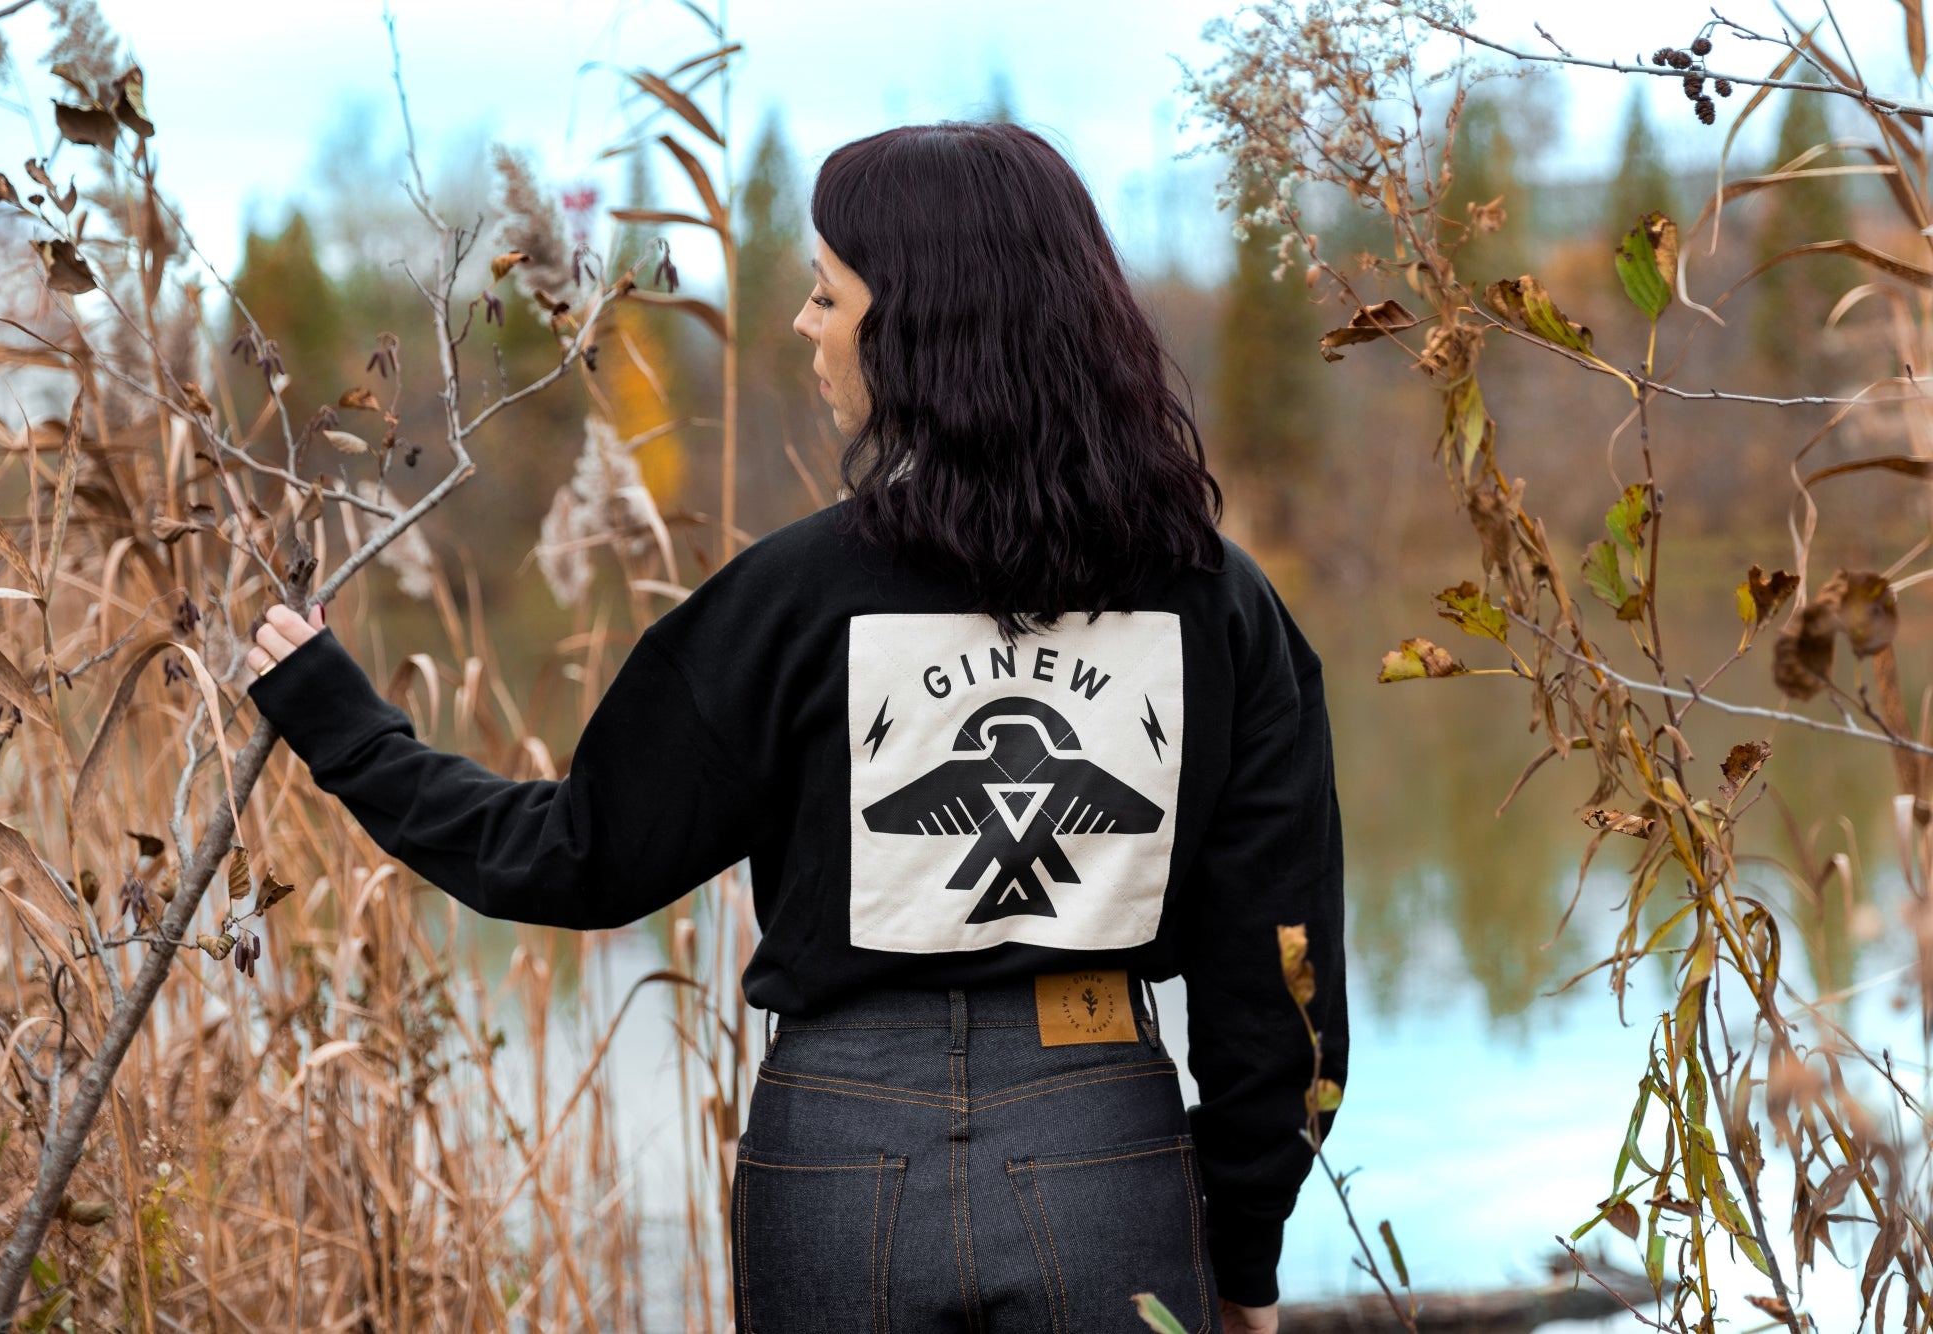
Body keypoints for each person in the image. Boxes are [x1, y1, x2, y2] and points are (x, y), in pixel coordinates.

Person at [246, 120, 1346, 1334]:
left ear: (919, 323)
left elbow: (575, 856)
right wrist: (1244, 1257)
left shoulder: (791, 595)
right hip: (1100, 1146)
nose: (802, 325)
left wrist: (343, 726)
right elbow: (1279, 977)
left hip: (837, 1148)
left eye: (827, 295)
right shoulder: (1217, 601)